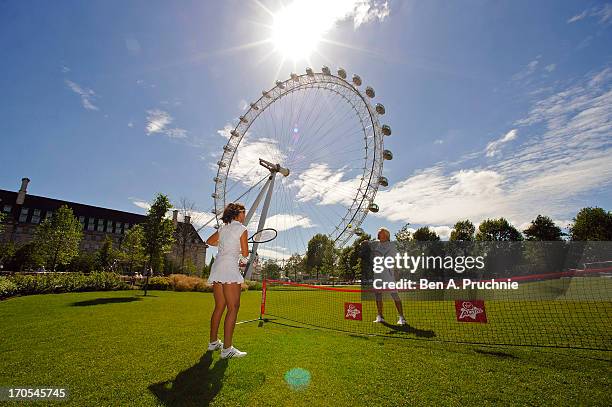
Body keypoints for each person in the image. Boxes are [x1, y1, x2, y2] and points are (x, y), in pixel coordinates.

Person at [205, 202, 250, 359]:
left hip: (217, 267)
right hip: (229, 268)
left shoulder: (223, 229)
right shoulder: (242, 229)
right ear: (238, 213)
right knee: (233, 307)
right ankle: (227, 349)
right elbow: (245, 254)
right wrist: (242, 250)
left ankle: (213, 343)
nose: (245, 215)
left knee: (219, 307)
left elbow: (209, 241)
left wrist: (224, 244)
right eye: (244, 212)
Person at [370, 227, 406, 325]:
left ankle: (402, 317)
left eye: (380, 233)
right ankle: (380, 316)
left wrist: (397, 270)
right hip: (378, 274)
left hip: (388, 274)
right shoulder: (377, 246)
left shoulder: (391, 246)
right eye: (378, 233)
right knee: (378, 295)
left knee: (394, 294)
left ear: (386, 235)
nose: (378, 235)